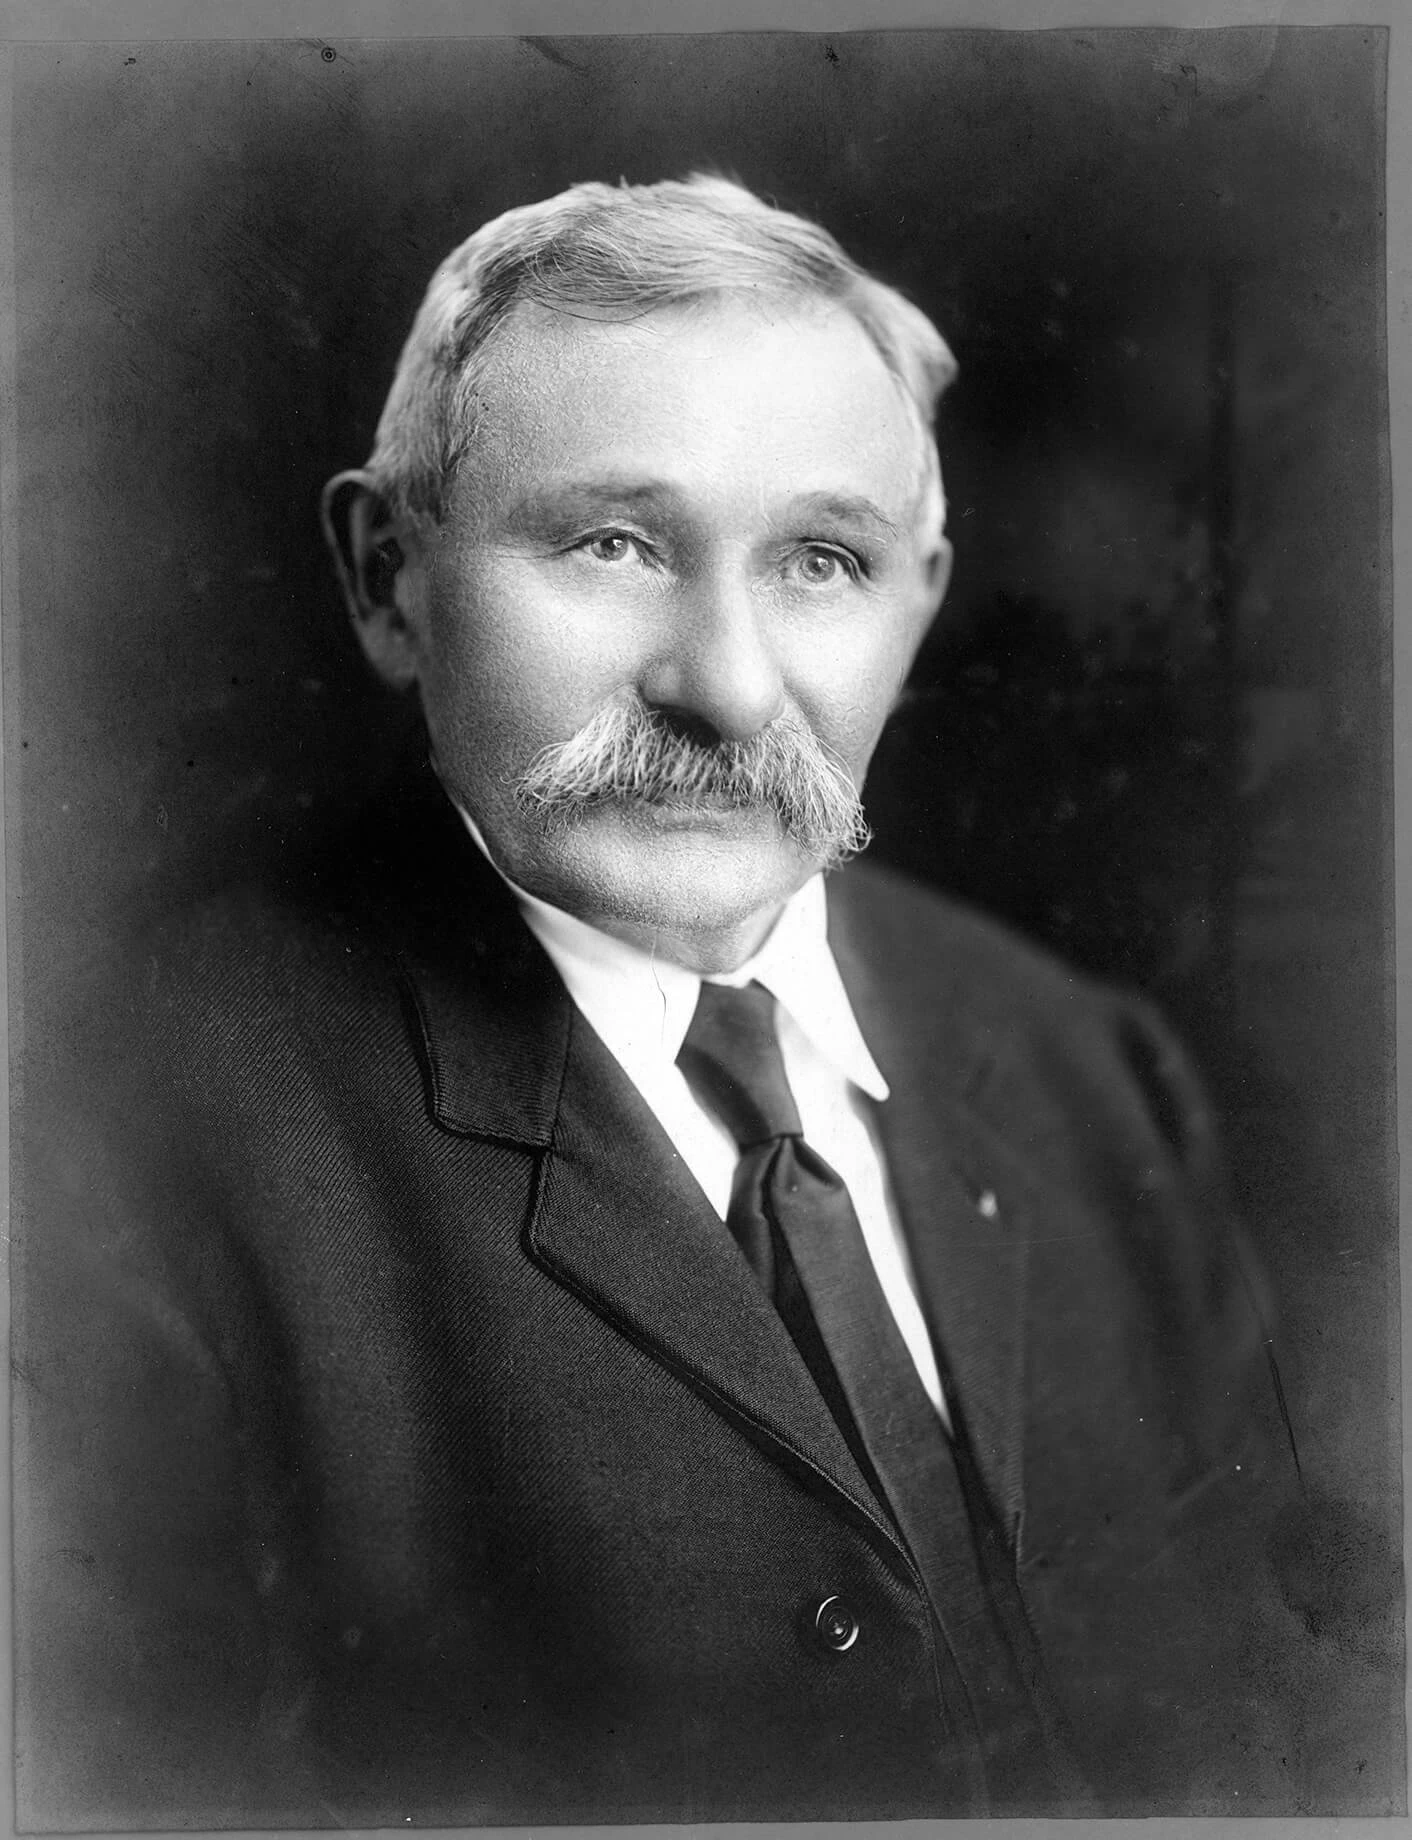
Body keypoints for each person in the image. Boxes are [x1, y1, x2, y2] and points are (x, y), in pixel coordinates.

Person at [20, 174, 1318, 1828]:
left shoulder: (1089, 1064)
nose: (725, 683)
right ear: (384, 578)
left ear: (923, 593)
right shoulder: (116, 1172)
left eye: (823, 561)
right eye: (615, 543)